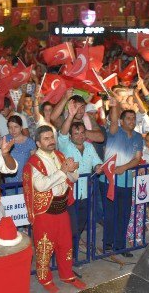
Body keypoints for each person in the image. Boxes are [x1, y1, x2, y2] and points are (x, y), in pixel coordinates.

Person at [23, 125, 86, 292]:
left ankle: (67, 275)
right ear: (37, 142)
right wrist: (63, 171)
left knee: (65, 244)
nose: (51, 141)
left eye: (52, 137)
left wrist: (72, 169)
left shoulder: (59, 155)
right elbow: (41, 185)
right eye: (46, 138)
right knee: (44, 248)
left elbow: (73, 178)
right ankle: (45, 279)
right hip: (45, 212)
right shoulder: (33, 162)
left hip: (62, 208)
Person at [57, 102, 103, 254]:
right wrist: (70, 116)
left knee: (80, 225)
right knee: (72, 228)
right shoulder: (65, 146)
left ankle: (74, 254)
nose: (80, 135)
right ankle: (68, 255)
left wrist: (98, 167)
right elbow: (62, 134)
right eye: (76, 133)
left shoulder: (89, 147)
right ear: (71, 136)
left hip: (86, 194)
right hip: (70, 195)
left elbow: (97, 161)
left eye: (82, 132)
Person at [100, 97, 143, 256]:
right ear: (121, 121)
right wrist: (113, 106)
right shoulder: (114, 131)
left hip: (127, 182)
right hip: (108, 181)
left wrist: (123, 167)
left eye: (133, 118)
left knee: (124, 215)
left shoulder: (138, 137)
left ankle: (120, 245)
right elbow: (112, 121)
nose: (131, 121)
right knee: (110, 214)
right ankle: (108, 245)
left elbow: (137, 158)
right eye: (128, 119)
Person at [3, 115, 36, 186]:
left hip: (25, 181)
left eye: (16, 127)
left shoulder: (30, 142)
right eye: (10, 127)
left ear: (21, 128)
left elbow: (34, 164)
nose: (13, 130)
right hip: (9, 182)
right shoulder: (6, 140)